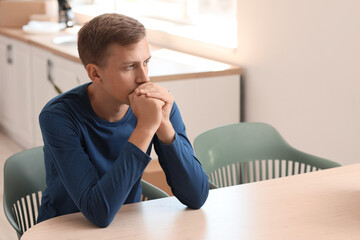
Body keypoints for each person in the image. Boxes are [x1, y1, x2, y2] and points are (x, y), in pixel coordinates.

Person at [37, 13, 209, 227]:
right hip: (63, 229)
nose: (144, 78)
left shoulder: (158, 105)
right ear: (95, 74)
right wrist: (146, 128)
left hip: (126, 226)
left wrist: (164, 125)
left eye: (146, 62)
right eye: (130, 67)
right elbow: (98, 213)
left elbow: (197, 196)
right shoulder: (59, 116)